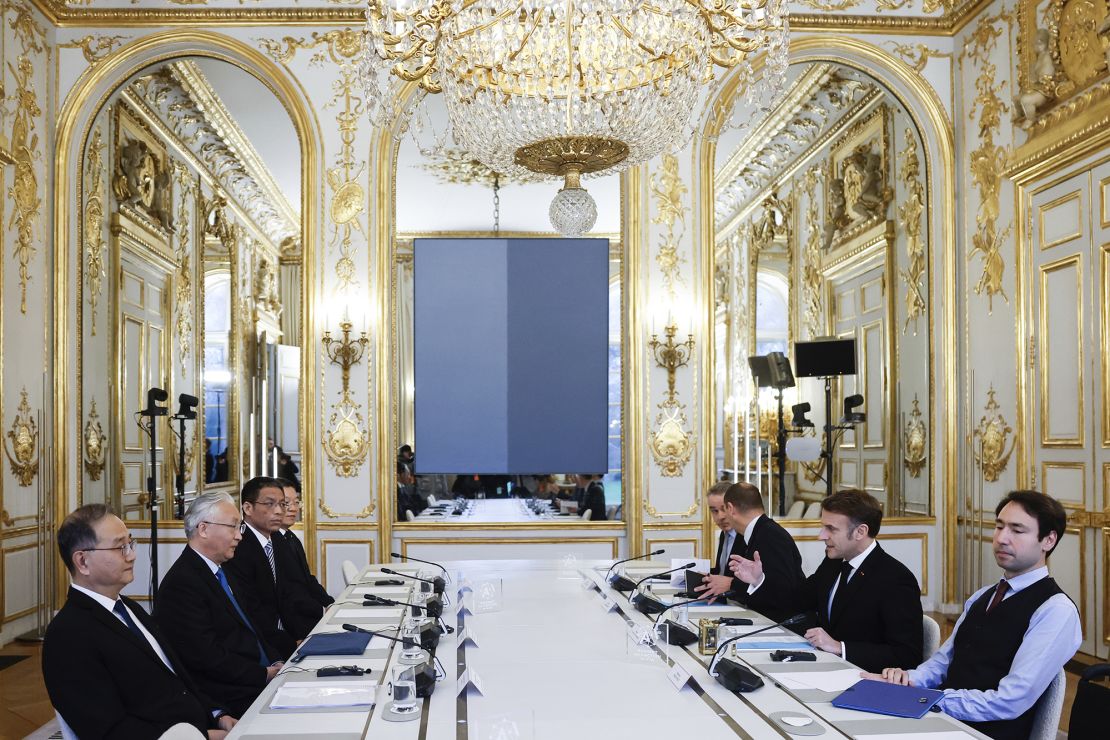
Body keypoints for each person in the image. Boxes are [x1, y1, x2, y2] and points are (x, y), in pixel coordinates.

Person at [870, 490, 1081, 740]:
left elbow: (1010, 701)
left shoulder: (1055, 610)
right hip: (939, 720)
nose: (1001, 538)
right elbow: (943, 663)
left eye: (1017, 530)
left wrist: (931, 700)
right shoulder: (983, 595)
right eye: (999, 527)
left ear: (1048, 540)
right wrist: (905, 680)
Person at [42, 504, 237, 739]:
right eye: (120, 547)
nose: (132, 555)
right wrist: (203, 736)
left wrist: (217, 714)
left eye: (130, 544)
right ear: (82, 561)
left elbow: (176, 677)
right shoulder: (68, 635)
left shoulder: (129, 607)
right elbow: (108, 730)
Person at [729, 488, 923, 673]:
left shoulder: (896, 579)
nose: (821, 536)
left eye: (831, 529)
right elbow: (796, 601)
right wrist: (758, 580)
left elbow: (907, 656)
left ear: (860, 532)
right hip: (822, 668)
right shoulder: (834, 563)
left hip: (863, 679)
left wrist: (840, 647)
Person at [155, 493, 282, 718]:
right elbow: (207, 658)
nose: (239, 537)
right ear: (203, 529)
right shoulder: (183, 584)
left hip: (259, 677)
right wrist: (264, 674)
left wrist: (278, 662)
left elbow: (252, 629)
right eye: (233, 527)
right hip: (234, 695)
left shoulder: (222, 570)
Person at [225, 476, 321, 658]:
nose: (279, 511)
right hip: (263, 646)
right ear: (247, 508)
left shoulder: (277, 539)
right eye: (269, 504)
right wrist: (291, 645)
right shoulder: (238, 547)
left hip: (290, 634)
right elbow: (252, 610)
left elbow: (293, 591)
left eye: (282, 504)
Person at [699, 481, 804, 622]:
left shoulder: (770, 535)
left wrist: (732, 584)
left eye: (724, 509)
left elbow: (783, 592)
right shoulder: (760, 531)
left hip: (780, 626)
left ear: (730, 508)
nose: (721, 516)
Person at [275, 478, 334, 610]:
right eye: (286, 503)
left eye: (296, 502)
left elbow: (307, 580)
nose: (293, 509)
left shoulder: (291, 537)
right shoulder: (271, 543)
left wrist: (330, 603)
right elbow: (291, 591)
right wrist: (321, 611)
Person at [690, 481, 745, 595]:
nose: (720, 516)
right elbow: (722, 572)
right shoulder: (724, 534)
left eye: (724, 509)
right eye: (714, 511)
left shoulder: (746, 536)